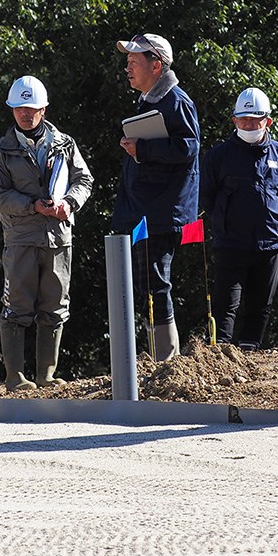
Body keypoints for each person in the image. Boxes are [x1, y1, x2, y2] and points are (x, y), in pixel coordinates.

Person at [0, 76, 93, 391]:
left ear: (43, 109)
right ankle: (14, 377)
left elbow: (83, 180)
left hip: (59, 239)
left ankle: (46, 376)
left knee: (55, 305)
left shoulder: (65, 144)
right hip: (20, 239)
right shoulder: (1, 151)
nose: (25, 114)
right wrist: (33, 205)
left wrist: (70, 204)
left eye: (31, 108)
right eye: (19, 108)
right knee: (17, 307)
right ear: (12, 110)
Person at [112, 34, 200, 361]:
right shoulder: (150, 100)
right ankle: (158, 358)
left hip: (164, 212)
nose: (127, 68)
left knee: (155, 282)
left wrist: (143, 149)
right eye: (128, 62)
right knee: (147, 282)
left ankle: (166, 360)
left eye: (134, 62)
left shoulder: (176, 101)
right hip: (146, 211)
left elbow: (189, 147)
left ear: (156, 65)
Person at [200, 87, 278, 350]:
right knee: (225, 304)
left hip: (271, 244)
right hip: (231, 244)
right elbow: (206, 197)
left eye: (255, 121)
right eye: (244, 120)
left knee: (261, 304)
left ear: (268, 121)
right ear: (234, 120)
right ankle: (219, 355)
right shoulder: (218, 157)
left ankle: (251, 351)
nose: (249, 125)